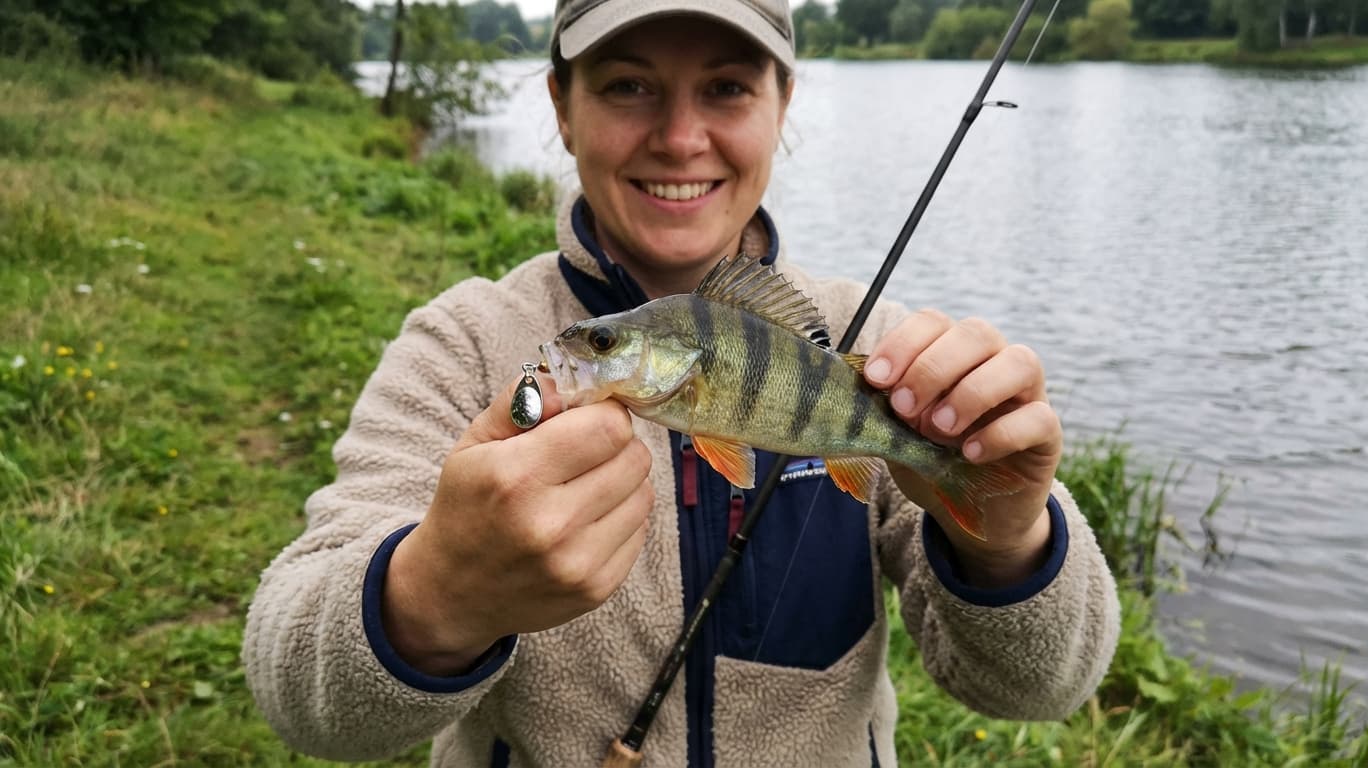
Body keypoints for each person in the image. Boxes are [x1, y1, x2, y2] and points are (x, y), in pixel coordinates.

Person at [241, 0, 1121, 764]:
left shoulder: (877, 351)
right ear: (562, 104)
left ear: (785, 103)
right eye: (628, 85)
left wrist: (1008, 541)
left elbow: (1039, 689)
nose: (680, 137)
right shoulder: (462, 344)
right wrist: (435, 597)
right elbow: (300, 698)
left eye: (729, 88)